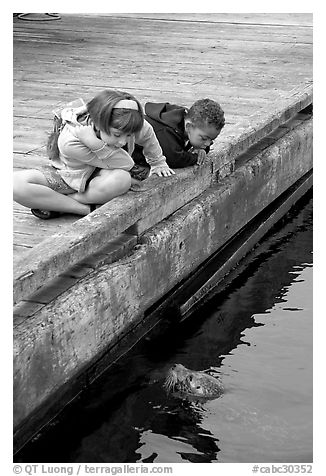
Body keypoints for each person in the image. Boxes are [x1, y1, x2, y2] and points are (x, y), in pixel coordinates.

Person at [13, 89, 174, 219]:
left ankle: (56, 204)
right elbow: (124, 163)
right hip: (70, 177)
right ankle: (84, 209)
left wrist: (158, 162)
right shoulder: (70, 140)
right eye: (117, 135)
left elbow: (146, 135)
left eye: (129, 136)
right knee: (14, 185)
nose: (123, 142)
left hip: (101, 178)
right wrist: (94, 143)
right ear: (98, 123)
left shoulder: (128, 124)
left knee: (122, 179)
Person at [130, 98, 225, 181]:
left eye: (211, 140)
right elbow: (174, 159)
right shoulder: (165, 131)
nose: (208, 144)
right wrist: (195, 157)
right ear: (188, 127)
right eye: (204, 138)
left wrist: (201, 149)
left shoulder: (189, 122)